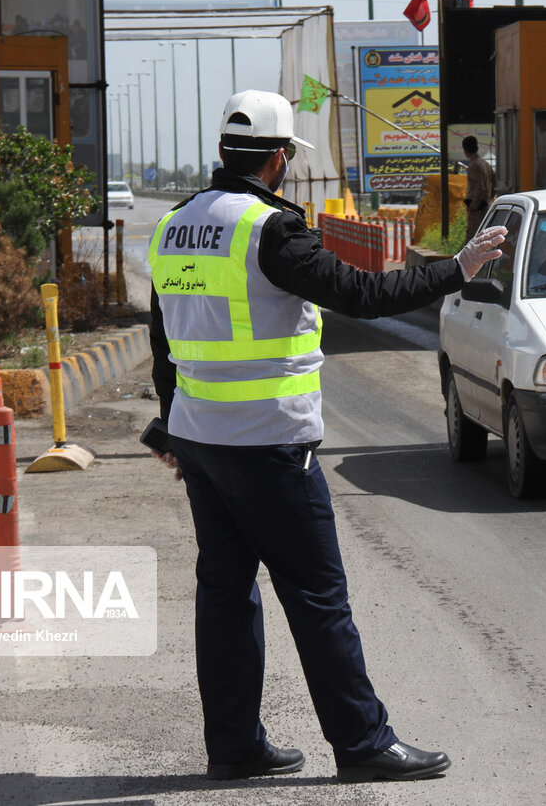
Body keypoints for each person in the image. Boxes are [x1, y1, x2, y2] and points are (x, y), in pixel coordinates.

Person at [147, 90, 504, 783]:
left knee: (224, 592)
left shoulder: (173, 227)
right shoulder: (270, 231)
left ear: (224, 153)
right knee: (317, 595)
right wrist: (456, 270)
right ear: (279, 159)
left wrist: (171, 429)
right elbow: (361, 293)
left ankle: (234, 744)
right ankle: (364, 741)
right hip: (271, 444)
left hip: (202, 440)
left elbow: (162, 344)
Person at [462, 135, 494, 239]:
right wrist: (489, 198)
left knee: (473, 237)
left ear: (465, 150)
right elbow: (494, 182)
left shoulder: (475, 165)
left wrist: (473, 206)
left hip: (477, 209)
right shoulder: (485, 164)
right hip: (485, 205)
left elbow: (481, 187)